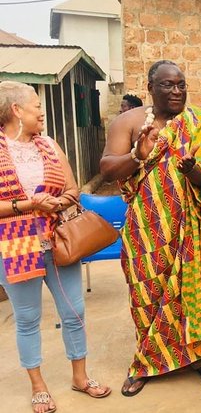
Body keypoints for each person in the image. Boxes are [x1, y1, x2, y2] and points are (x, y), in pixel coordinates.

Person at [99, 60, 201, 396]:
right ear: (151, 87)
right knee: (146, 295)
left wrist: (195, 170)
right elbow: (107, 168)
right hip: (146, 229)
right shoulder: (130, 122)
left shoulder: (199, 123)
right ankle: (146, 362)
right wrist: (138, 155)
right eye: (168, 85)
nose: (177, 91)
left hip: (194, 227)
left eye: (181, 84)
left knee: (194, 291)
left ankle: (199, 359)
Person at [0, 81, 111, 413]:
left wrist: (55, 202)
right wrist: (27, 205)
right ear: (16, 110)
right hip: (15, 246)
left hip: (58, 242)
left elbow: (73, 189)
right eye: (36, 106)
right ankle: (38, 385)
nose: (42, 112)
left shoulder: (47, 143)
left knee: (74, 311)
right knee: (28, 318)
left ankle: (80, 377)